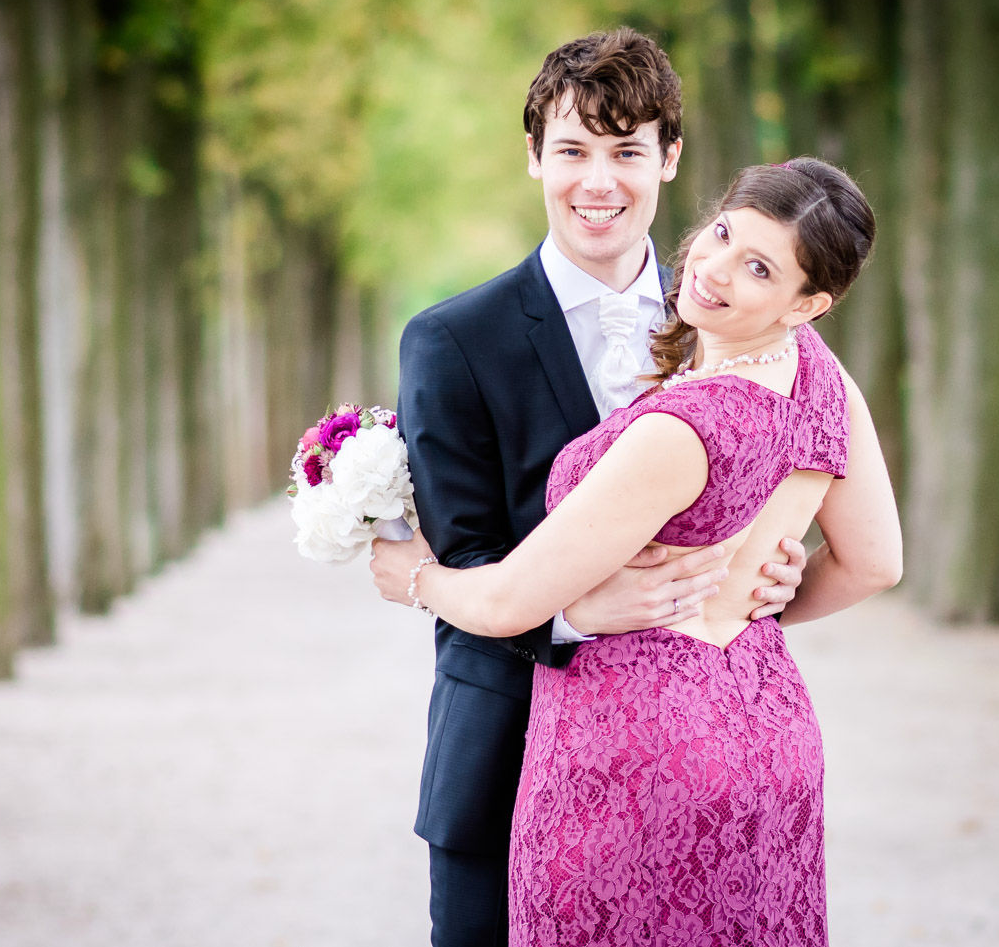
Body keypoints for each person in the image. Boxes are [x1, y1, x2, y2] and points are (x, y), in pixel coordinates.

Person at [373, 157, 903, 944]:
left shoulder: (682, 429)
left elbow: (506, 600)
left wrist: (411, 575)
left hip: (636, 758)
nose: (714, 267)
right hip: (770, 735)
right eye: (723, 234)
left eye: (757, 267)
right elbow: (874, 562)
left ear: (809, 302)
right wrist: (747, 600)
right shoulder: (825, 380)